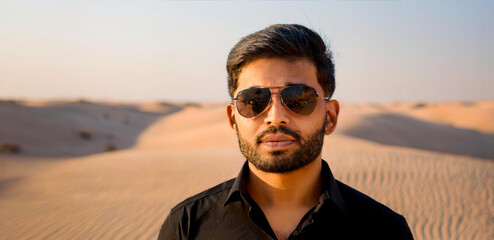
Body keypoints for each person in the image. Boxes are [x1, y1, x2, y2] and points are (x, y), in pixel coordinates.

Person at [158, 24, 414, 240]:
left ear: (330, 117)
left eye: (299, 98)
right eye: (254, 99)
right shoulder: (187, 226)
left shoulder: (385, 231)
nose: (275, 117)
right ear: (233, 119)